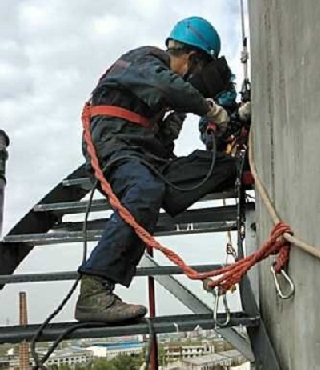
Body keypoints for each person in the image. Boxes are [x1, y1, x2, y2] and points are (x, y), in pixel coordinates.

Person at [75, 16, 238, 323]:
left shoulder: (164, 95)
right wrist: (208, 108)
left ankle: (233, 169)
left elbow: (164, 140)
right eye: (198, 70)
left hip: (144, 156)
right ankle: (94, 290)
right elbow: (168, 86)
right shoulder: (146, 60)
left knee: (218, 166)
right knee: (144, 190)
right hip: (112, 145)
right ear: (191, 58)